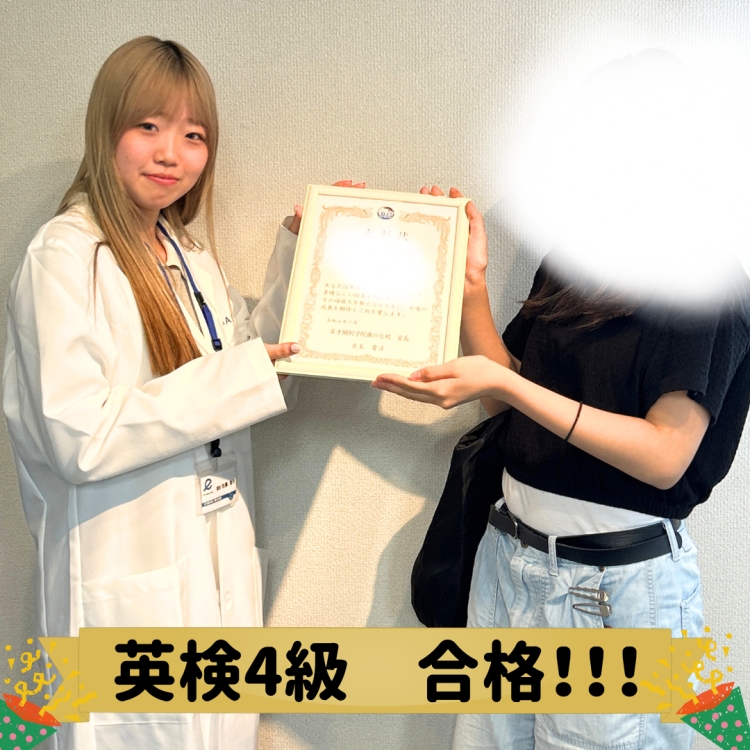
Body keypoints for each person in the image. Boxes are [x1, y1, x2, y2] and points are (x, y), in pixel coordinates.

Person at [2, 36, 355, 750]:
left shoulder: (186, 253)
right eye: (149, 127)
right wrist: (246, 376)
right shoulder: (64, 255)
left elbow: (244, 363)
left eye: (194, 135)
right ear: (106, 129)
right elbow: (80, 438)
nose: (172, 154)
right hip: (115, 579)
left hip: (208, 567)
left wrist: (305, 249)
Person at [373, 181, 750, 750]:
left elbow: (664, 456)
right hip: (509, 563)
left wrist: (509, 385)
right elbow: (505, 401)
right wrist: (471, 285)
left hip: (615, 588)